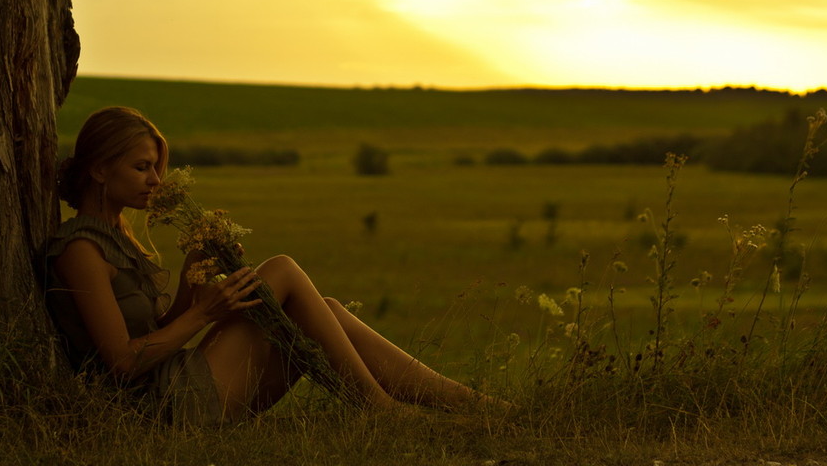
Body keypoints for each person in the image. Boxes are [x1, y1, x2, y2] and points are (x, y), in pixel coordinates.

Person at [44, 106, 505, 426]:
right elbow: (123, 363)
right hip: (158, 408)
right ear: (100, 170)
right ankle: (383, 410)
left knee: (323, 311)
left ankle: (475, 405)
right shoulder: (81, 249)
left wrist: (190, 280)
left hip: (177, 386)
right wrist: (204, 313)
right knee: (281, 269)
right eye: (142, 167)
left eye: (157, 168)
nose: (156, 181)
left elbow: (155, 330)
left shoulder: (118, 236)